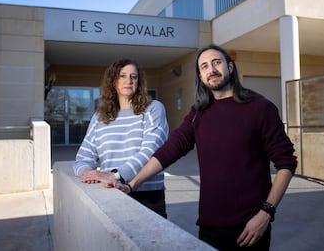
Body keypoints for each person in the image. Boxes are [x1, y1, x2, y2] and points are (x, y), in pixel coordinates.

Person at [115, 44, 297, 250]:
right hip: (209, 227)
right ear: (200, 76)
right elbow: (168, 152)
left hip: (251, 226)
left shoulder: (260, 108)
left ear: (229, 67)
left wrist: (266, 213)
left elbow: (286, 163)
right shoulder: (198, 114)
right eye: (204, 66)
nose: (211, 70)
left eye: (216, 63)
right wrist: (131, 184)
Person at [73, 58, 169, 218]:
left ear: (139, 82)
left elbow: (151, 152)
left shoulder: (153, 109)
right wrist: (88, 173)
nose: (128, 81)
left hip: (147, 195)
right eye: (122, 76)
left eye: (134, 76)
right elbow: (83, 157)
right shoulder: (100, 117)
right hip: (111, 193)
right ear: (113, 82)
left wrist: (115, 175)